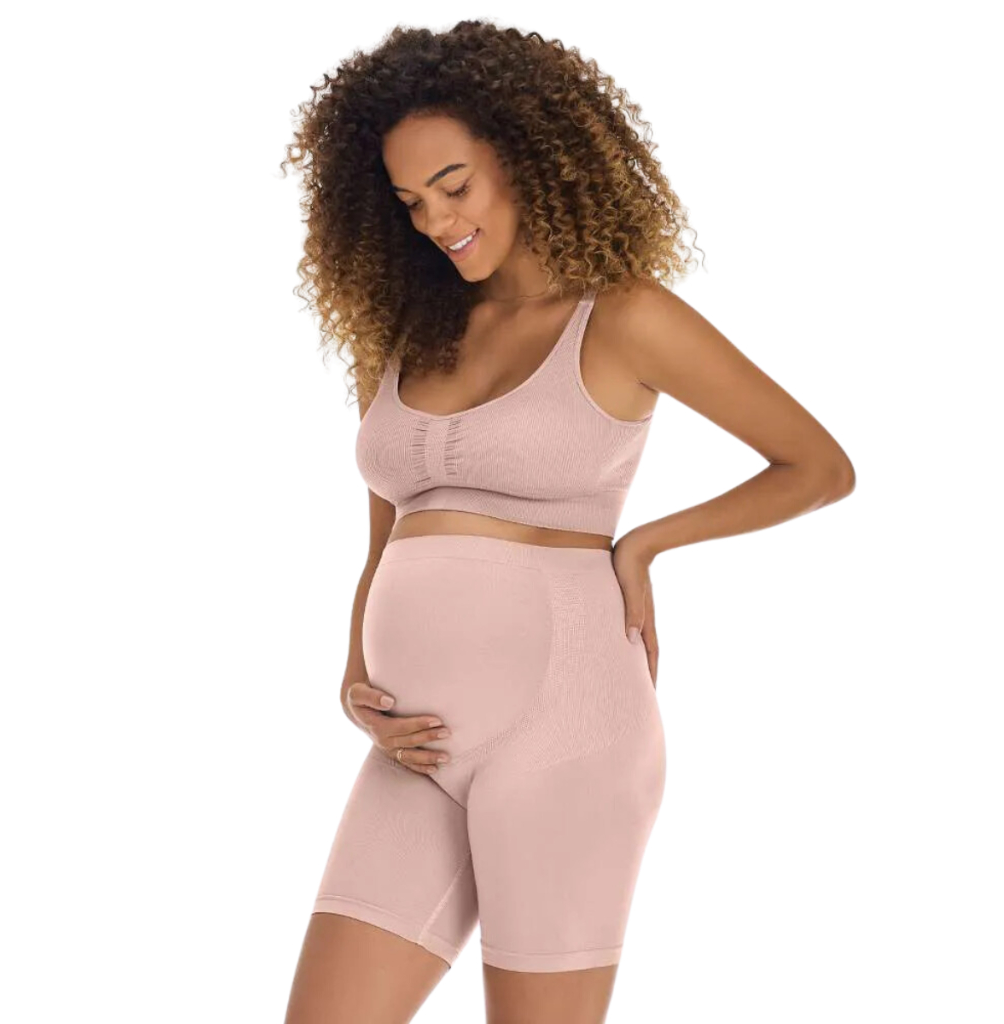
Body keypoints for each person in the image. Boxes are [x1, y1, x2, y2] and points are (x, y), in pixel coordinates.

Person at [279, 19, 855, 1024]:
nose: (436, 220)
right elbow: (389, 529)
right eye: (411, 203)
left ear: (523, 153)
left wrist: (648, 543)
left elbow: (819, 466)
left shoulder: (623, 316)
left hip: (566, 731)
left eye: (454, 186)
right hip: (414, 748)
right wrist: (354, 674)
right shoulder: (409, 334)